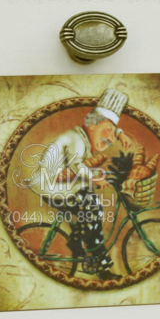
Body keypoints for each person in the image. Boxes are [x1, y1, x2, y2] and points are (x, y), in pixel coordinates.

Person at [26, 88, 132, 279]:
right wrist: (94, 178)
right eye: (108, 131)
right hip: (52, 185)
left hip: (66, 184)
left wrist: (120, 133)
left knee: (91, 208)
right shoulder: (76, 139)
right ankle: (99, 265)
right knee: (92, 208)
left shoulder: (85, 134)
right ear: (92, 124)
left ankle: (77, 240)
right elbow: (76, 165)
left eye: (112, 134)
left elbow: (106, 126)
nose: (110, 139)